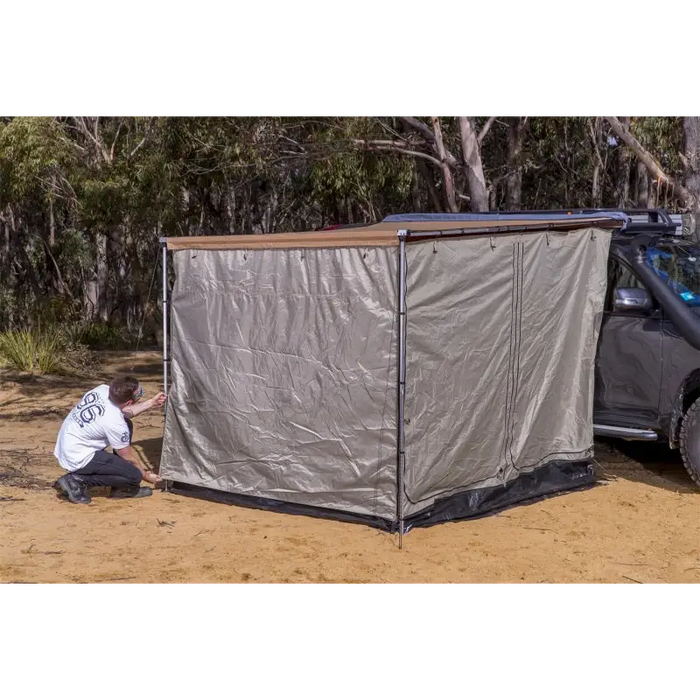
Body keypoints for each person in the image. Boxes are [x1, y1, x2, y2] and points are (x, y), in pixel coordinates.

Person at [53, 376, 167, 505]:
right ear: (129, 402)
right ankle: (76, 480)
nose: (142, 393)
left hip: (69, 442)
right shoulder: (115, 422)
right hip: (78, 456)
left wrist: (151, 403)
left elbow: (124, 413)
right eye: (140, 392)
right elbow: (129, 458)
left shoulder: (102, 390)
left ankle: (119, 486)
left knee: (127, 424)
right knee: (134, 475)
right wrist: (146, 476)